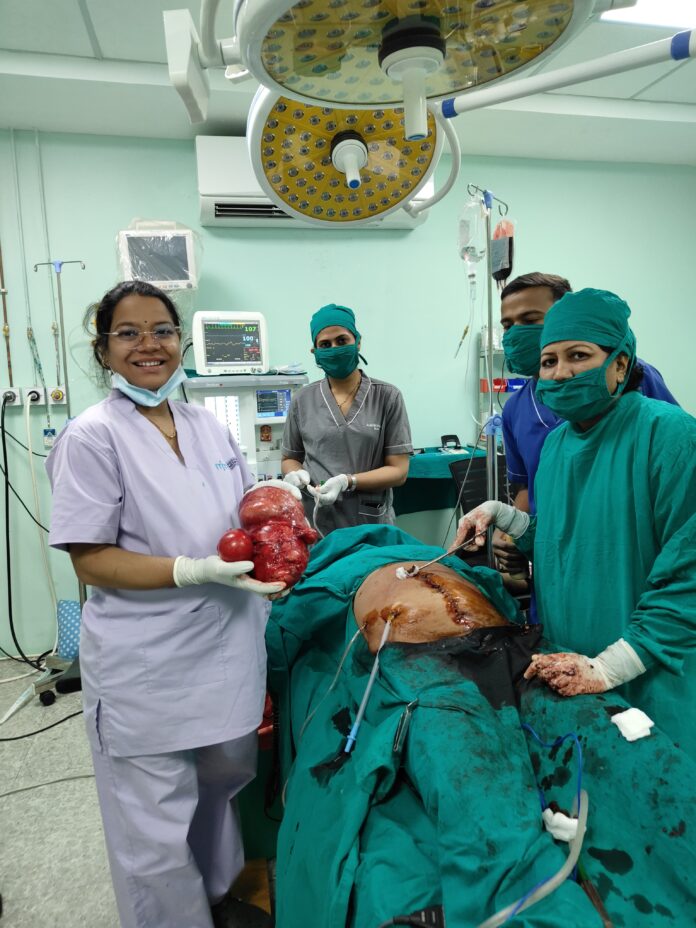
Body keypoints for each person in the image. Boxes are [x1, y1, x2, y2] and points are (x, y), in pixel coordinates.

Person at [265, 523, 696, 928]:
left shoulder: (429, 554)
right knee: (474, 783)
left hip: (516, 646)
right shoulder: (325, 574)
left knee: (606, 735)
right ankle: (539, 911)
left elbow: (498, 589)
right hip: (421, 667)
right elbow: (293, 630)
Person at [46, 280, 288, 928]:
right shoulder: (91, 437)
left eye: (162, 330)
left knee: (220, 784)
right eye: (128, 333)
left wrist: (283, 506)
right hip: (146, 662)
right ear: (103, 349)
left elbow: (244, 512)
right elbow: (90, 558)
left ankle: (214, 896)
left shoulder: (208, 426)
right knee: (153, 818)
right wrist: (190, 570)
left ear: (181, 341)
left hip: (226, 647)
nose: (148, 345)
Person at [454, 288, 696, 759]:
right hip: (569, 665)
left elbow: (688, 577)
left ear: (620, 364)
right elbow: (566, 544)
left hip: (647, 672)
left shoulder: (670, 435)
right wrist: (507, 517)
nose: (560, 372)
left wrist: (610, 667)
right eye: (549, 361)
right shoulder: (558, 446)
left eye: (578, 356)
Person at [494, 272, 678, 581]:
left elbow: (675, 469)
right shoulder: (516, 410)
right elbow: (527, 487)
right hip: (557, 563)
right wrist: (513, 531)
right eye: (508, 325)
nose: (515, 334)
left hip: (629, 561)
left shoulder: (634, 380)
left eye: (529, 320)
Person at [281, 303, 412, 532]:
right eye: (325, 344)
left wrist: (347, 481)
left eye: (342, 341)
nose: (334, 349)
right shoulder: (302, 399)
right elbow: (290, 458)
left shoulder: (387, 397)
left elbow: (399, 471)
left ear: (358, 342)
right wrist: (294, 473)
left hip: (370, 524)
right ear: (315, 351)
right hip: (317, 522)